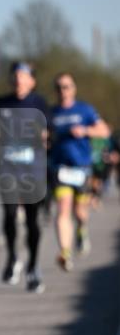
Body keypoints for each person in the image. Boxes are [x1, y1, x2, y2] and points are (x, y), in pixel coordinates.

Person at [0, 62, 49, 293]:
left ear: (32, 81)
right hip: (7, 168)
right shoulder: (1, 102)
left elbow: (53, 133)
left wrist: (48, 137)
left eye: (23, 76)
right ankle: (12, 258)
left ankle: (33, 266)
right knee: (9, 214)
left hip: (33, 171)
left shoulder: (40, 104)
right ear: (10, 81)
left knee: (31, 221)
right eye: (15, 76)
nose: (18, 80)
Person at [48, 73, 109, 271]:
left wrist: (85, 131)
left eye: (66, 86)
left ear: (73, 88)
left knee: (79, 211)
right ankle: (65, 252)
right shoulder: (51, 113)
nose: (62, 90)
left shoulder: (85, 110)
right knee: (63, 209)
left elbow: (104, 130)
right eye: (59, 87)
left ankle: (82, 229)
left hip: (81, 168)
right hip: (60, 169)